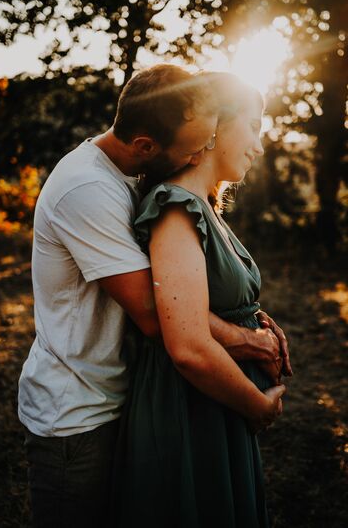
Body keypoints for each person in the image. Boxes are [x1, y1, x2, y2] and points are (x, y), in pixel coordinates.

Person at [18, 64, 290, 528]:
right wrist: (248, 344)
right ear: (147, 147)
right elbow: (156, 315)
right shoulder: (89, 188)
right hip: (78, 413)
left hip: (115, 397)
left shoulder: (126, 177)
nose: (200, 152)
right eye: (196, 144)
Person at [111, 72, 290, 528]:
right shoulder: (176, 209)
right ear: (215, 129)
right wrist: (257, 406)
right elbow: (188, 347)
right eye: (252, 126)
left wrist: (257, 326)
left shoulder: (206, 207)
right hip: (187, 414)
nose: (258, 145)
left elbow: (210, 300)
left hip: (214, 406)